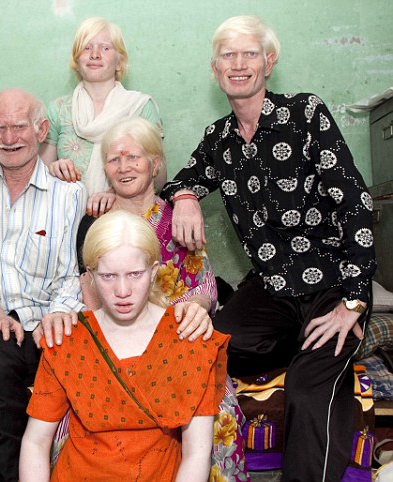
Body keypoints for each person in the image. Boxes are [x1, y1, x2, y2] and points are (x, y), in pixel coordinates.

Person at [160, 15, 376, 482]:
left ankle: (326, 360)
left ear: (269, 62)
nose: (238, 64)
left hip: (332, 283)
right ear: (215, 69)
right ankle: (312, 351)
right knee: (214, 347)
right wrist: (186, 197)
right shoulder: (218, 139)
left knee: (306, 388)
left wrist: (354, 303)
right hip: (271, 287)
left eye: (250, 54)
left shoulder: (305, 113)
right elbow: (178, 181)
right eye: (228, 55)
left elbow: (355, 201)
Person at [76, 116, 248, 481]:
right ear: (105, 169)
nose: (124, 167)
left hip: (177, 342)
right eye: (114, 159)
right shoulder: (96, 222)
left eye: (133, 157)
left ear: (155, 164)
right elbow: (88, 293)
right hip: (114, 345)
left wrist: (196, 310)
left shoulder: (178, 217)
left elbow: (204, 286)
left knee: (220, 412)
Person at [19, 210, 229, 481]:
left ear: (154, 272)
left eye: (135, 274)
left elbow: (197, 452)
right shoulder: (68, 340)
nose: (122, 291)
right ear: (90, 276)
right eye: (108, 276)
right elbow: (36, 442)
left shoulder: (189, 338)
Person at [0, 88, 87, 482]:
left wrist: (57, 316)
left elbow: (76, 273)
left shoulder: (69, 194)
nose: (9, 138)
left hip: (53, 324)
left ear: (41, 130)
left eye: (19, 127)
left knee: (71, 371)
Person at [39, 17, 166, 215]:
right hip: (67, 220)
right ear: (76, 60)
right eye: (86, 48)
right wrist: (54, 169)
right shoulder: (59, 109)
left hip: (128, 220)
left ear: (119, 62)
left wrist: (118, 193)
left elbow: (160, 179)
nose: (95, 55)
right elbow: (41, 179)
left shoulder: (140, 107)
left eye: (105, 48)